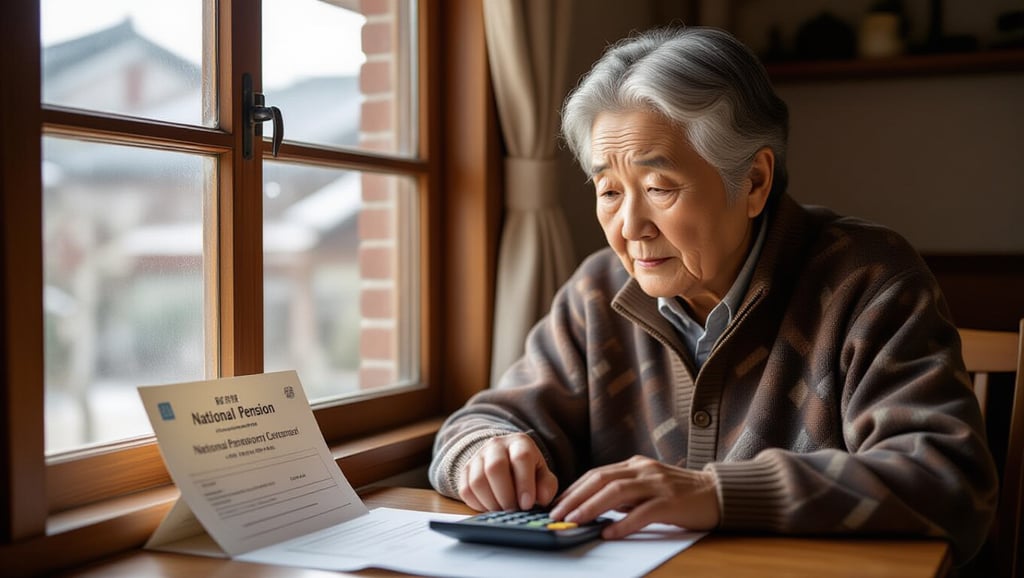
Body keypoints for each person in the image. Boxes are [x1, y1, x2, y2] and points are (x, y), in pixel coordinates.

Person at [428, 26, 998, 564]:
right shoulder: (598, 290)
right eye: (608, 191)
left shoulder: (867, 280)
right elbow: (483, 420)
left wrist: (715, 493)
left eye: (658, 188)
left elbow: (947, 478)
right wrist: (487, 450)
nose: (630, 226)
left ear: (753, 182)